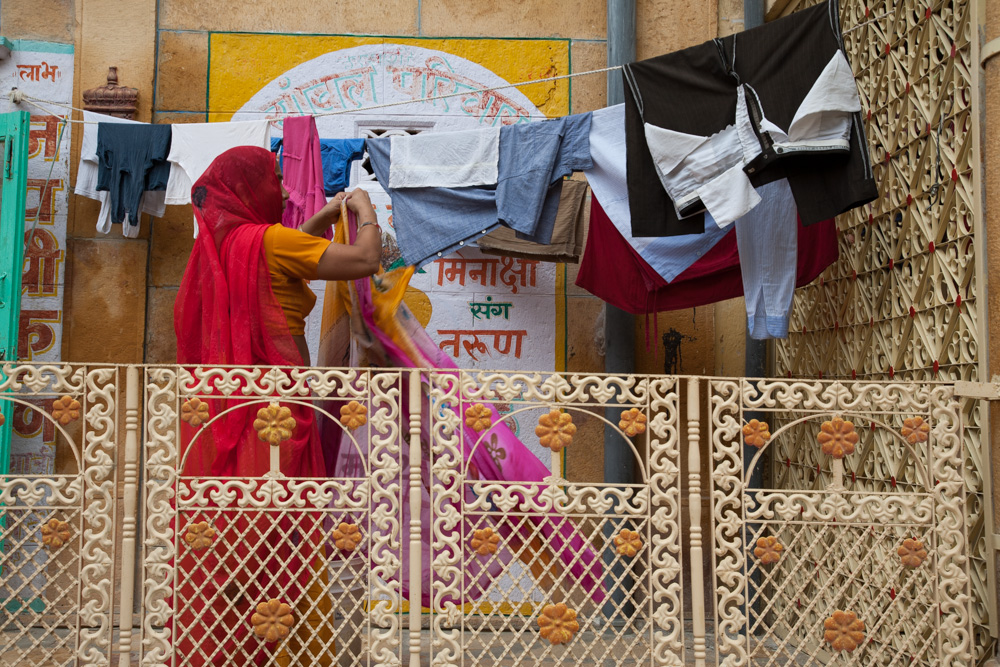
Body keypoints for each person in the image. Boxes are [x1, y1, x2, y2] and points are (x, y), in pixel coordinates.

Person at [173, 145, 381, 666]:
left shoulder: (222, 242)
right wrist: (365, 210)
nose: (285, 190)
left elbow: (287, 253)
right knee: (277, 519)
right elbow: (363, 260)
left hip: (229, 399)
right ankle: (279, 644)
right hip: (276, 401)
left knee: (238, 515)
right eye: (276, 181)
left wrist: (321, 218)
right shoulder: (265, 241)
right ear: (249, 188)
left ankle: (231, 640)